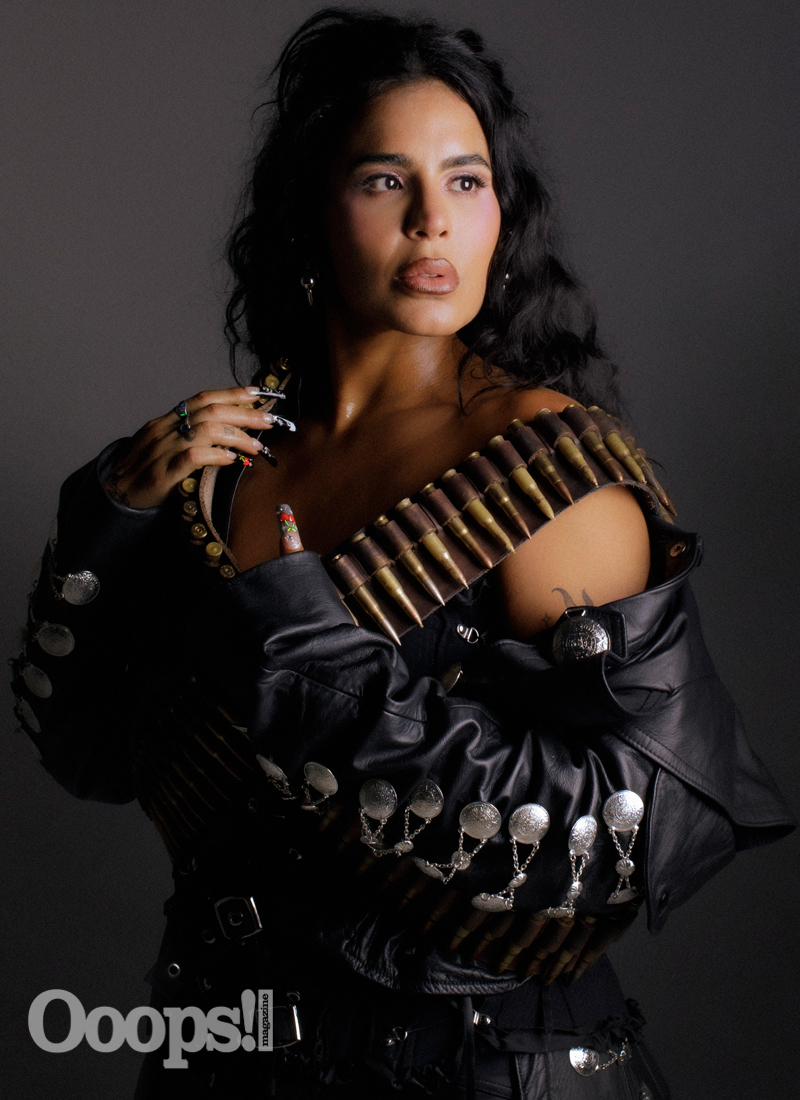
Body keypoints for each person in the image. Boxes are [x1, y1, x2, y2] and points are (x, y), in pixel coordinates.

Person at [11, 9, 794, 1099]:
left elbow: (630, 844)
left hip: (482, 1067)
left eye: (466, 181)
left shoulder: (547, 469)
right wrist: (110, 516)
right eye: (386, 181)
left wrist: (322, 677)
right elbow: (90, 755)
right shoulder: (217, 465)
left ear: (501, 212)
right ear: (307, 211)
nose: (434, 220)